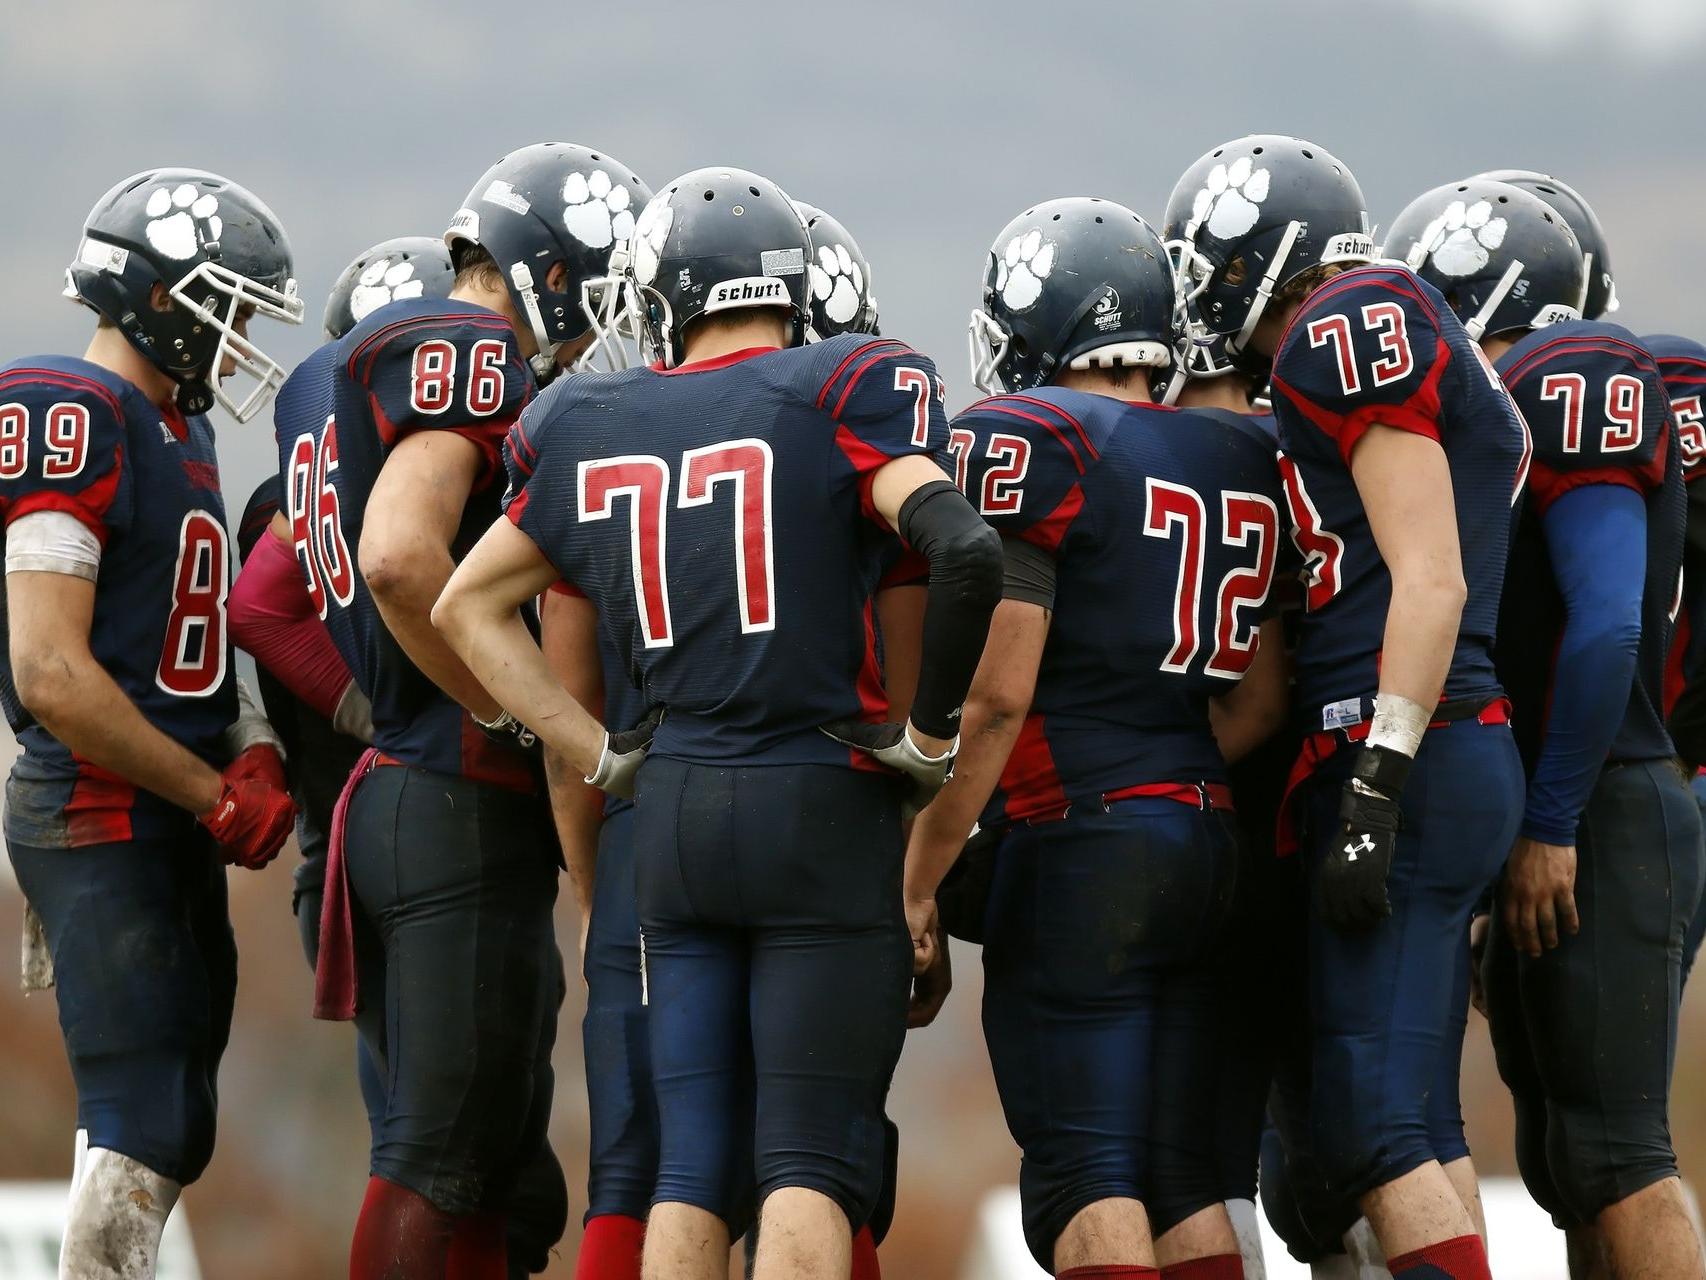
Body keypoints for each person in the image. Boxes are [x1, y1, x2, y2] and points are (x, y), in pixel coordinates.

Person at [432, 165, 1001, 1280]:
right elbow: (965, 550)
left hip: (675, 812)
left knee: (685, 1169)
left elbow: (465, 604)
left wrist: (594, 751)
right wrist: (929, 740)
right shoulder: (844, 384)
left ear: (662, 295)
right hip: (816, 797)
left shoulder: (587, 417)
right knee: (804, 1161)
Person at [277, 143, 647, 1279]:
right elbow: (396, 555)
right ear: (552, 264)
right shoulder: (472, 347)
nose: (597, 329)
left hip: (396, 787)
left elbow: (275, 592)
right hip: (451, 790)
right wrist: (524, 707)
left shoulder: (326, 373)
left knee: (481, 1164)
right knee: (438, 1159)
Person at [903, 197, 1286, 1280]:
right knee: (1180, 1176)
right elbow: (1253, 704)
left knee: (1083, 1173)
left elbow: (996, 695)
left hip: (1083, 843)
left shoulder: (1036, 436)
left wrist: (917, 873)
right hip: (1207, 839)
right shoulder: (1232, 445)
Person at [1171, 136, 1531, 1280]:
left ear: (1252, 254)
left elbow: (1430, 578)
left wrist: (1375, 776)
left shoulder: (1345, 325)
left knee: (1374, 1132)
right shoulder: (1353, 336)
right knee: (1409, 1121)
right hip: (1440, 743)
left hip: (1406, 745)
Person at [1389, 177, 1704, 1280]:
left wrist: (1555, 818)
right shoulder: (1529, 393)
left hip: (1604, 793)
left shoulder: (1561, 373)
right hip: (1582, 792)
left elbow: (1609, 617)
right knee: (1568, 1153)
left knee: (1618, 1149)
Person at [0, 168, 301, 1278]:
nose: (235, 338)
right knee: (142, 1112)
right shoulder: (65, 408)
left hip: (152, 801)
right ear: (161, 295)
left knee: (169, 1116)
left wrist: (247, 740)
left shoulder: (168, 426)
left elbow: (176, 638)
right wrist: (208, 789)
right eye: (224, 304)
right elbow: (51, 671)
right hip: (96, 801)